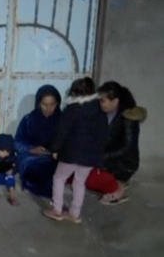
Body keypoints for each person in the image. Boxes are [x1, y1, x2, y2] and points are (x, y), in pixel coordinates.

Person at [44, 77, 108, 224]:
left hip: (71, 154)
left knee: (59, 178)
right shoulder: (99, 110)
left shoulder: (72, 109)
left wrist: (54, 149)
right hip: (90, 156)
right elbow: (104, 133)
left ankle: (57, 210)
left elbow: (62, 132)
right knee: (79, 183)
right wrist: (98, 154)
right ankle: (74, 214)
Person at [87, 81, 147, 205]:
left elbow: (127, 148)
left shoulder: (128, 118)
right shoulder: (106, 112)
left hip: (124, 163)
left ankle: (118, 186)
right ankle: (116, 183)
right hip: (109, 157)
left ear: (115, 101)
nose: (100, 104)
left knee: (88, 176)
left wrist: (101, 157)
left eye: (103, 101)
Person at [14, 85, 62, 200]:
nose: (48, 108)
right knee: (35, 170)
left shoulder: (63, 120)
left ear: (57, 104)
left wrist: (56, 151)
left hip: (54, 158)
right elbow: (17, 142)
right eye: (44, 104)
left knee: (58, 170)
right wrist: (31, 149)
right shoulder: (28, 119)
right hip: (31, 157)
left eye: (52, 104)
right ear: (38, 103)